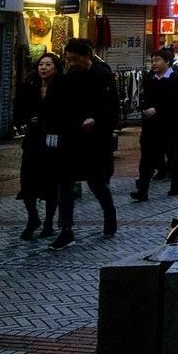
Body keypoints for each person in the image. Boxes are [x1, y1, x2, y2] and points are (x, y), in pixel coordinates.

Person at [47, 39, 119, 249]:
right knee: (65, 182)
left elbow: (112, 109)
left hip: (96, 141)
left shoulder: (103, 75)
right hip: (72, 139)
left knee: (96, 183)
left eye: (75, 59)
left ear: (88, 55)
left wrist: (96, 120)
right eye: (68, 59)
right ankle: (66, 229)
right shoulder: (68, 77)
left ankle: (109, 213)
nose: (71, 63)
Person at [131, 47, 178, 203]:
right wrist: (146, 108)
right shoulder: (150, 78)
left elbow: (175, 102)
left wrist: (158, 109)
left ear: (167, 62)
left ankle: (177, 185)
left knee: (173, 155)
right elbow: (144, 98)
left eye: (157, 60)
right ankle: (142, 190)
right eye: (152, 60)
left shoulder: (177, 78)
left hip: (171, 125)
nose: (153, 63)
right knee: (146, 157)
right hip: (150, 125)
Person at [15, 52, 60, 240]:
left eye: (48, 64)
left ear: (56, 68)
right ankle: (33, 218)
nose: (43, 67)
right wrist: (24, 122)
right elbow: (19, 110)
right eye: (41, 64)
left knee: (51, 184)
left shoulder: (62, 87)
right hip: (32, 141)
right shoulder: (29, 86)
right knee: (27, 182)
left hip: (53, 141)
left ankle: (49, 222)